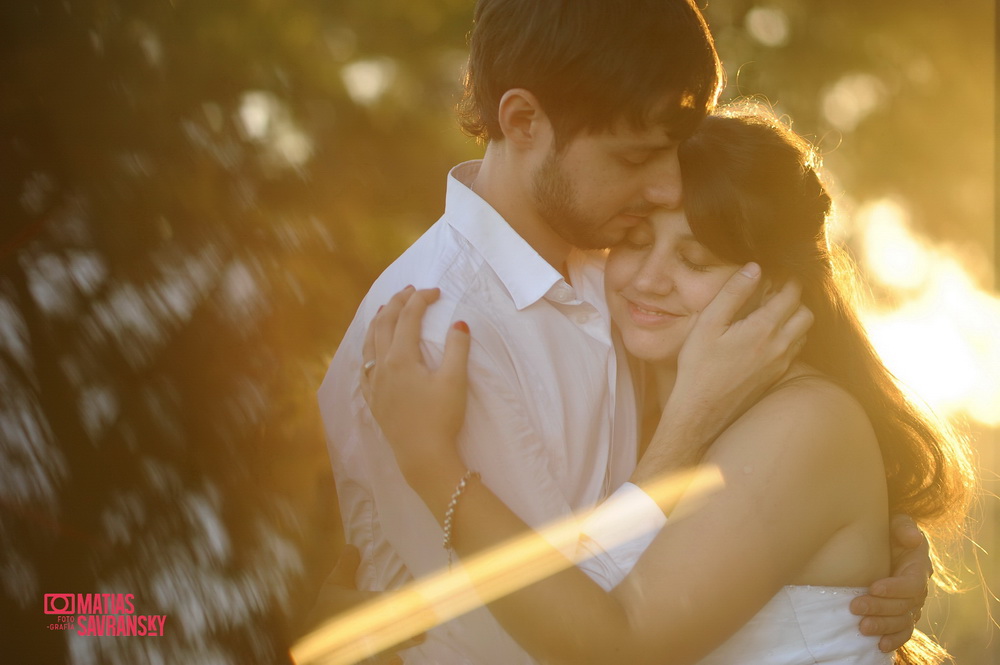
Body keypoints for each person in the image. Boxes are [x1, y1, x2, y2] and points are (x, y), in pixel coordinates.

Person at [316, 1, 933, 661]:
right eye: (637, 156)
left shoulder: (602, 269)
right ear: (522, 120)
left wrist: (860, 544)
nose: (667, 186)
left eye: (670, 152)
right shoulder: (440, 336)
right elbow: (548, 644)